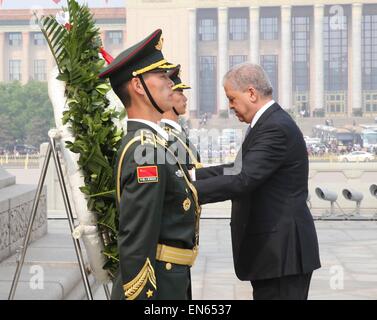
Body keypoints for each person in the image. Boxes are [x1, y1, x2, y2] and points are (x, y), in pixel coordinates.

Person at [191, 63, 321, 300]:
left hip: (283, 254)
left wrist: (184, 191)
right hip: (273, 255)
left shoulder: (276, 127)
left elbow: (243, 178)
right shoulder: (266, 123)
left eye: (231, 98)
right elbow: (236, 169)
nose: (230, 106)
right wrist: (188, 175)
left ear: (251, 93)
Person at [99, 29, 200, 300]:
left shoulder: (155, 144)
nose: (170, 83)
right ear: (138, 86)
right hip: (157, 287)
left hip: (171, 279)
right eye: (161, 76)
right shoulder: (144, 150)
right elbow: (137, 241)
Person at [160, 65, 202, 170]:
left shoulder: (177, 132)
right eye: (180, 93)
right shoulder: (166, 136)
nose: (185, 98)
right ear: (168, 97)